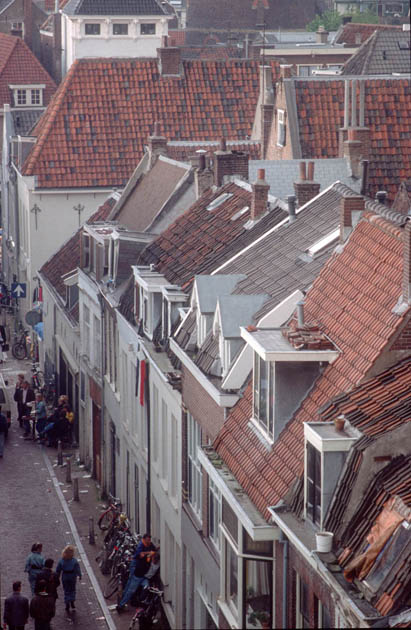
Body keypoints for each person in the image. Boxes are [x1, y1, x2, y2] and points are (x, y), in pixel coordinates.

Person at [117, 533, 158, 612]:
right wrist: (149, 553)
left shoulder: (150, 550)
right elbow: (141, 555)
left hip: (144, 576)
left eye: (150, 540)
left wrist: (154, 551)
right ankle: (121, 605)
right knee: (131, 590)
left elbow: (153, 550)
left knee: (145, 587)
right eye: (148, 540)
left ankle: (138, 601)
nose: (149, 542)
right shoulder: (142, 551)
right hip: (138, 575)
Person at [55, 545, 82, 613]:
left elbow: (58, 570)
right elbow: (77, 569)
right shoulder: (74, 561)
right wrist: (79, 575)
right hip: (72, 576)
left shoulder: (62, 561)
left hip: (65, 576)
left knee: (66, 589)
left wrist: (57, 577)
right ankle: (72, 602)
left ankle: (67, 602)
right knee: (72, 589)